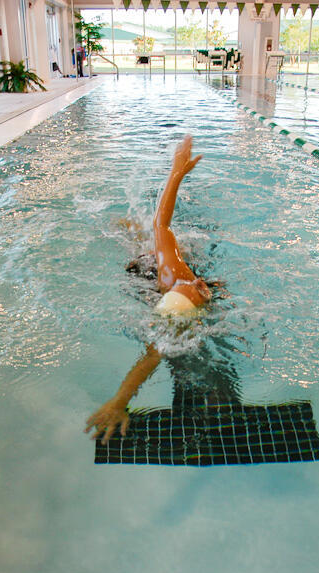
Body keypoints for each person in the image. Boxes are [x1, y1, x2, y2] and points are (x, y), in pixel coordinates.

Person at [86, 135, 213, 443]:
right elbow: (154, 352)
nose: (200, 286)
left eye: (197, 290)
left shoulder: (176, 281)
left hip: (152, 279)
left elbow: (152, 357)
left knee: (147, 242)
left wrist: (177, 174)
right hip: (150, 275)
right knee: (144, 244)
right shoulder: (176, 279)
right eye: (197, 290)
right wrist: (176, 174)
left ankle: (132, 232)